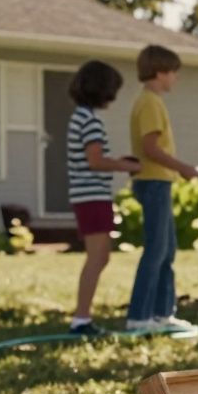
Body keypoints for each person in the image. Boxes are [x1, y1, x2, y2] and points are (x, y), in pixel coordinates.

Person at [127, 45, 198, 332]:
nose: (176, 78)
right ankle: (139, 316)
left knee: (167, 249)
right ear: (160, 73)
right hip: (154, 182)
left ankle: (162, 313)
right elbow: (150, 148)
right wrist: (183, 167)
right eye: (173, 73)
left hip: (159, 182)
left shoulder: (151, 101)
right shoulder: (150, 103)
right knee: (156, 250)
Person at [66, 61, 142, 335]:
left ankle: (83, 317)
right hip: (92, 196)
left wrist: (118, 162)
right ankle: (81, 319)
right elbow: (95, 161)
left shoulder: (81, 117)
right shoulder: (90, 120)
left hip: (88, 195)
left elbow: (93, 158)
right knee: (97, 257)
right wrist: (126, 166)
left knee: (100, 257)